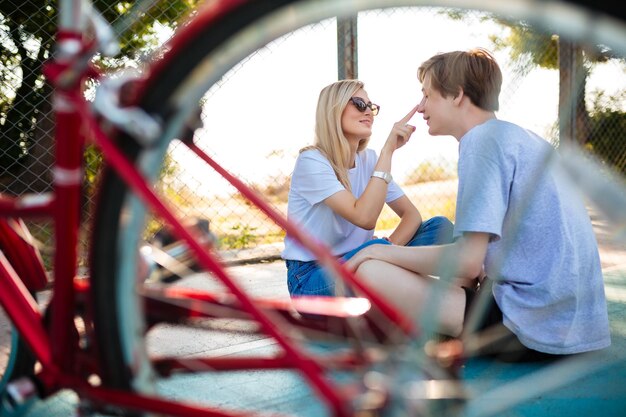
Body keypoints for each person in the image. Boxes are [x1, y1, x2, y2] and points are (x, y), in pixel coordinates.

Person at [345, 48, 611, 361]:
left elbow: (468, 263)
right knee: (443, 265)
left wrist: (379, 250)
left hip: (531, 328)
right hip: (578, 326)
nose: (420, 107)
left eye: (427, 95)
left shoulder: (480, 144)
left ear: (457, 94)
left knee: (371, 270)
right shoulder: (521, 138)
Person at [282, 79, 454, 299]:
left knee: (440, 227)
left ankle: (394, 279)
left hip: (366, 260)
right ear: (334, 110)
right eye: (359, 104)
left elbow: (411, 216)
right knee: (374, 261)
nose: (369, 113)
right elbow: (364, 217)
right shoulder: (312, 161)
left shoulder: (369, 159)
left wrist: (385, 249)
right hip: (313, 276)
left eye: (371, 107)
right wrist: (388, 151)